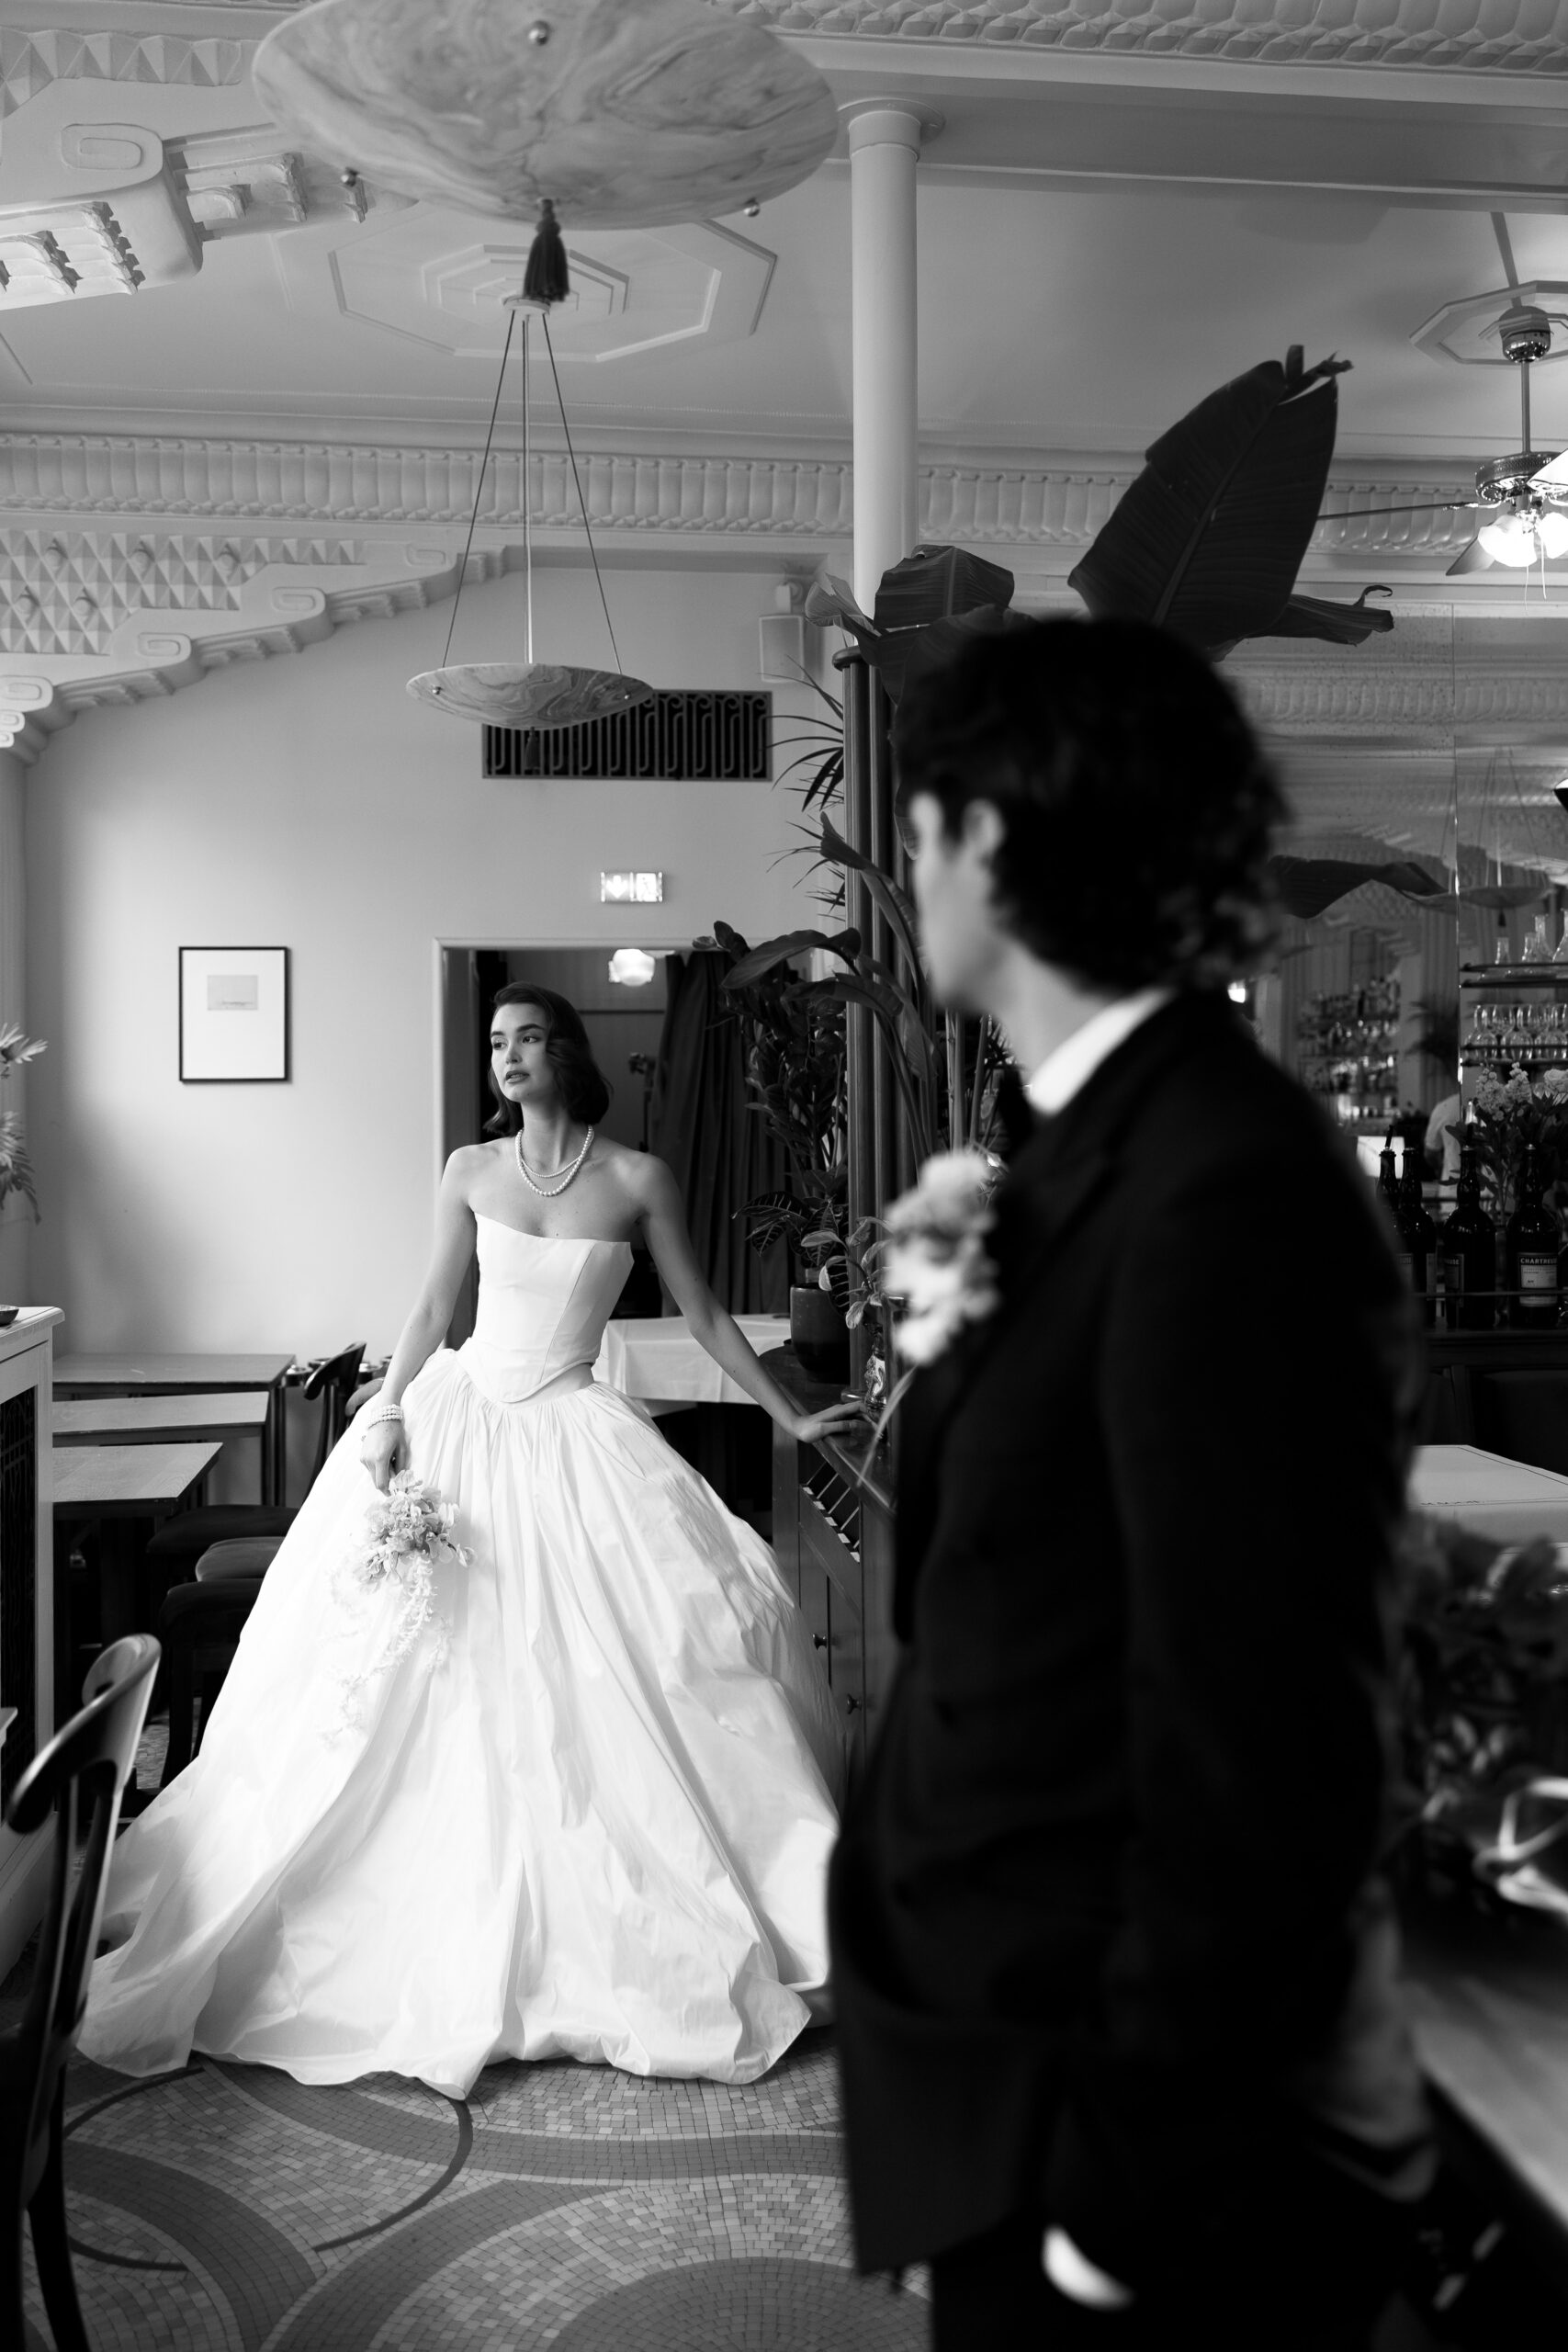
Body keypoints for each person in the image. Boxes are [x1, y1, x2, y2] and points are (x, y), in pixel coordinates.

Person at [828, 620, 1435, 2348]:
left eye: (917, 828)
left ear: (988, 838)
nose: (903, 876)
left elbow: (1263, 1740)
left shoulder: (1224, 1182)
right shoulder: (1080, 1147)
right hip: (1007, 2061)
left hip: (1125, 2153)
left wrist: (1116, 2205)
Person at [83, 982, 862, 2095]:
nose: (508, 1056)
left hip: (578, 1435)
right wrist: (389, 1410)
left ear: (568, 1051)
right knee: (405, 1674)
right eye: (497, 1041)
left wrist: (791, 1415)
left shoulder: (638, 1178)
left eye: (529, 1038)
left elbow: (703, 1315)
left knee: (658, 1654)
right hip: (462, 1420)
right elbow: (429, 1308)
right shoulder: (468, 1169)